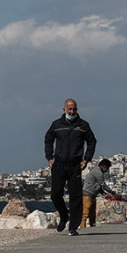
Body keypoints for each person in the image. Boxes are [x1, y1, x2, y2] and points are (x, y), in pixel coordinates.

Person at [44, 98, 97, 236]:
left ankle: (73, 227)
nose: (72, 112)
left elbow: (92, 142)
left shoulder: (83, 125)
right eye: (69, 109)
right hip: (59, 164)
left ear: (77, 110)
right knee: (55, 194)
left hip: (75, 165)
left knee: (75, 197)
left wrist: (86, 159)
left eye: (74, 109)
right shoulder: (56, 124)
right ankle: (64, 215)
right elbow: (48, 140)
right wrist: (49, 157)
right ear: (64, 110)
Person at [80, 158, 120, 228]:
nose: (107, 170)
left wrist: (104, 194)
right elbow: (103, 184)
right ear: (103, 166)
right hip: (87, 195)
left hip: (92, 195)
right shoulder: (97, 172)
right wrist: (113, 193)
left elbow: (98, 186)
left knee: (92, 214)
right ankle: (83, 229)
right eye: (107, 168)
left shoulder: (97, 171)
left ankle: (92, 228)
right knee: (85, 214)